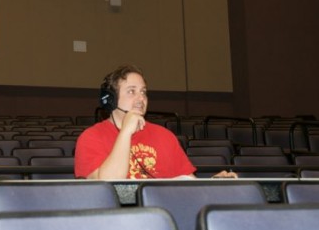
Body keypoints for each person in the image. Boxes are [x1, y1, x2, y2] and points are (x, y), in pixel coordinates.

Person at [75, 64, 238, 179]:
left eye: (143, 92)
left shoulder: (164, 136)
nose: (141, 98)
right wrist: (125, 132)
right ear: (110, 100)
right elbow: (108, 186)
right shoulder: (91, 137)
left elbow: (187, 185)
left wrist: (213, 186)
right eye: (132, 91)